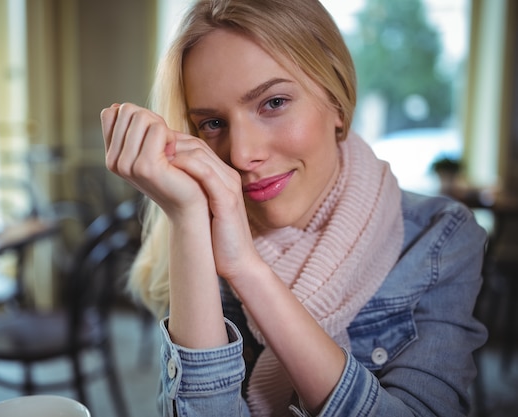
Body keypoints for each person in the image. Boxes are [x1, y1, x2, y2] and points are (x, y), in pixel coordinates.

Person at [100, 0, 487, 415]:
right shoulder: (200, 230)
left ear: (337, 102)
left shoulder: (440, 236)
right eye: (212, 123)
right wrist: (186, 218)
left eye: (274, 103)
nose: (243, 154)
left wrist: (248, 269)